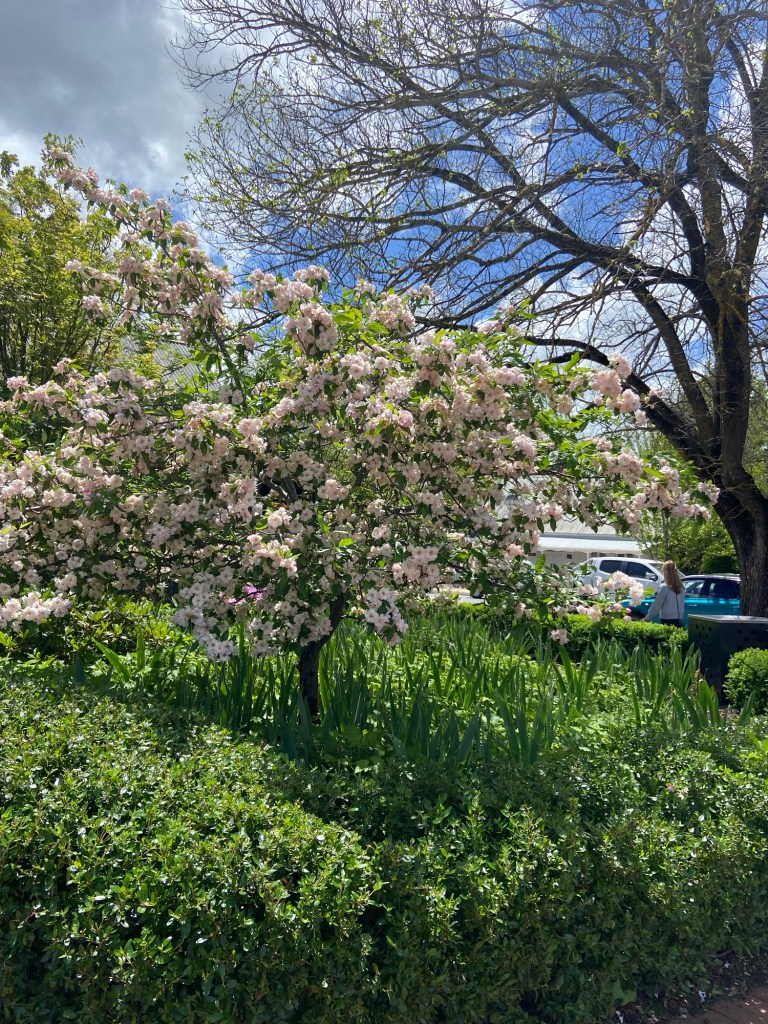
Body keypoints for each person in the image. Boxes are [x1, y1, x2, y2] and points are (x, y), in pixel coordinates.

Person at [644, 560, 685, 626]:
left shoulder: (665, 587)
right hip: (679, 618)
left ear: (666, 572)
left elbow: (657, 605)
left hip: (667, 619)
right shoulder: (681, 587)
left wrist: (648, 617)